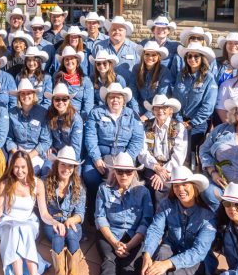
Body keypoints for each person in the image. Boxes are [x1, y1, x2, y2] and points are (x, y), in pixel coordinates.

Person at [131, 165, 216, 275]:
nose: (180, 189)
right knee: (160, 255)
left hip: (198, 259)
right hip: (173, 246)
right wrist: (147, 254)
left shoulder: (208, 216)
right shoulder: (167, 204)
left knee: (179, 271)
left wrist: (168, 264)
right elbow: (156, 229)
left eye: (185, 185)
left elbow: (198, 252)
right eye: (176, 185)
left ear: (194, 187)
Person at [90, 152, 154, 275]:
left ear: (134, 172)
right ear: (114, 172)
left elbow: (146, 222)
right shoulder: (103, 189)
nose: (124, 175)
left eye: (128, 171)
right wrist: (114, 243)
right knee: (109, 259)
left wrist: (129, 244)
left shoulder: (143, 192)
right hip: (109, 233)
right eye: (120, 171)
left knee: (131, 263)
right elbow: (100, 217)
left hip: (134, 236)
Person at [0, 150, 51, 275]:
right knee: (16, 229)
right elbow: (0, 211)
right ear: (12, 167)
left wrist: (55, 222)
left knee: (22, 228)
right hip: (7, 223)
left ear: (29, 167)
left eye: (23, 167)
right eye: (16, 167)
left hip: (29, 222)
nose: (19, 171)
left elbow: (44, 213)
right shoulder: (6, 183)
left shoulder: (38, 184)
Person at [83, 83, 145, 214]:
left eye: (118, 97)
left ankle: (120, 213)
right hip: (99, 153)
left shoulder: (133, 115)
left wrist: (126, 158)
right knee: (90, 177)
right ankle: (94, 212)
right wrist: (96, 158)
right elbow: (90, 137)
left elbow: (138, 139)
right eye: (111, 97)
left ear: (124, 100)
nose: (115, 100)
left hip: (124, 154)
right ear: (107, 99)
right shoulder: (96, 112)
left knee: (124, 179)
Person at [42, 146, 86, 275]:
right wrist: (56, 222)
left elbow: (80, 213)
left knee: (72, 233)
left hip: (72, 221)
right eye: (63, 164)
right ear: (56, 164)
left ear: (74, 168)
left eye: (70, 166)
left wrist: (71, 220)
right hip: (52, 221)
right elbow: (44, 211)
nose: (66, 169)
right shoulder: (46, 182)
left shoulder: (79, 186)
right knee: (57, 233)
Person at [138, 95, 187, 205]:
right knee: (150, 184)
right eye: (157, 108)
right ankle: (149, 218)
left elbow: (178, 157)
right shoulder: (145, 125)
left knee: (160, 186)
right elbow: (142, 152)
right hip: (151, 165)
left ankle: (161, 219)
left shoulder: (179, 127)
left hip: (171, 168)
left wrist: (161, 173)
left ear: (170, 110)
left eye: (164, 108)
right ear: (153, 110)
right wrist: (156, 167)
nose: (160, 111)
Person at [174, 42, 218, 162]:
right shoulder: (181, 75)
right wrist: (179, 121)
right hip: (179, 120)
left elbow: (208, 106)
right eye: (189, 56)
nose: (192, 59)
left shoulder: (209, 78)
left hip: (198, 124)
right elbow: (176, 101)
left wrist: (191, 124)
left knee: (189, 149)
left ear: (202, 59)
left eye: (196, 56)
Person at [6, 79, 51, 172]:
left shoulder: (42, 113)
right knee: (13, 173)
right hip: (17, 151)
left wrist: (27, 157)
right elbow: (9, 137)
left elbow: (46, 141)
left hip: (35, 153)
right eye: (23, 93)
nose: (26, 96)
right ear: (19, 96)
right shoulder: (12, 113)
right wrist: (17, 154)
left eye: (29, 93)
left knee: (30, 172)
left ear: (33, 95)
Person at [43, 84, 84, 178]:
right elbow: (46, 134)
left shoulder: (76, 119)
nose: (61, 102)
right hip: (55, 151)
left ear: (68, 101)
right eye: (57, 99)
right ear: (53, 101)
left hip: (70, 155)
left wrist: (69, 163)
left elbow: (76, 147)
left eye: (64, 99)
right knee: (46, 170)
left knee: (73, 176)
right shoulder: (49, 113)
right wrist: (50, 145)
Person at [50, 46, 94, 117]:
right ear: (63, 62)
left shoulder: (85, 80)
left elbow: (88, 104)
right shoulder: (57, 77)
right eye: (66, 59)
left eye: (72, 59)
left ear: (77, 61)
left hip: (77, 116)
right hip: (59, 115)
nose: (69, 61)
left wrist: (82, 119)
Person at [133, 41, 171, 120]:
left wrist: (146, 116)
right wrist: (135, 111)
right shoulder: (136, 68)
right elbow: (133, 92)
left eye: (154, 55)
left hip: (156, 112)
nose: (150, 57)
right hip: (139, 109)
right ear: (143, 55)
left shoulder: (164, 72)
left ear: (158, 57)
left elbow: (162, 96)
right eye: (147, 54)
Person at [97, 16, 137, 83]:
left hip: (128, 89)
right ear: (109, 31)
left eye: (120, 30)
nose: (117, 32)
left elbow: (139, 72)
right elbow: (94, 72)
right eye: (113, 29)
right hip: (105, 90)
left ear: (125, 32)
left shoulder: (134, 48)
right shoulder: (99, 47)